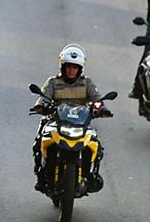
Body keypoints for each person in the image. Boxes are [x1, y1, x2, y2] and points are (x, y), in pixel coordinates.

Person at [31, 44, 110, 192]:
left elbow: (97, 99)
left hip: (81, 123)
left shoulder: (88, 83)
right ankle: (41, 176)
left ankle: (90, 175)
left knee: (96, 147)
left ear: (80, 68)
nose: (71, 70)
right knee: (38, 143)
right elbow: (43, 98)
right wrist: (41, 106)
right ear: (63, 66)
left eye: (75, 67)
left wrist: (102, 109)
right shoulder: (52, 82)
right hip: (55, 121)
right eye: (68, 67)